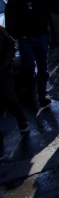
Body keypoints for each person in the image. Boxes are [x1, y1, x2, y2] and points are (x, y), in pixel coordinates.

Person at [5, 0, 51, 108]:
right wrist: (19, 35)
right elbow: (10, 24)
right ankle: (31, 93)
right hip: (25, 39)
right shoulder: (14, 2)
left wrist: (43, 30)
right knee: (29, 68)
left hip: (41, 37)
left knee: (43, 67)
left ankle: (42, 94)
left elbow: (45, 15)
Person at [0, 25, 30, 158]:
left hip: (3, 73)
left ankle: (22, 122)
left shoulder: (0, 30)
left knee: (11, 99)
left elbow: (11, 44)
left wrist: (6, 63)